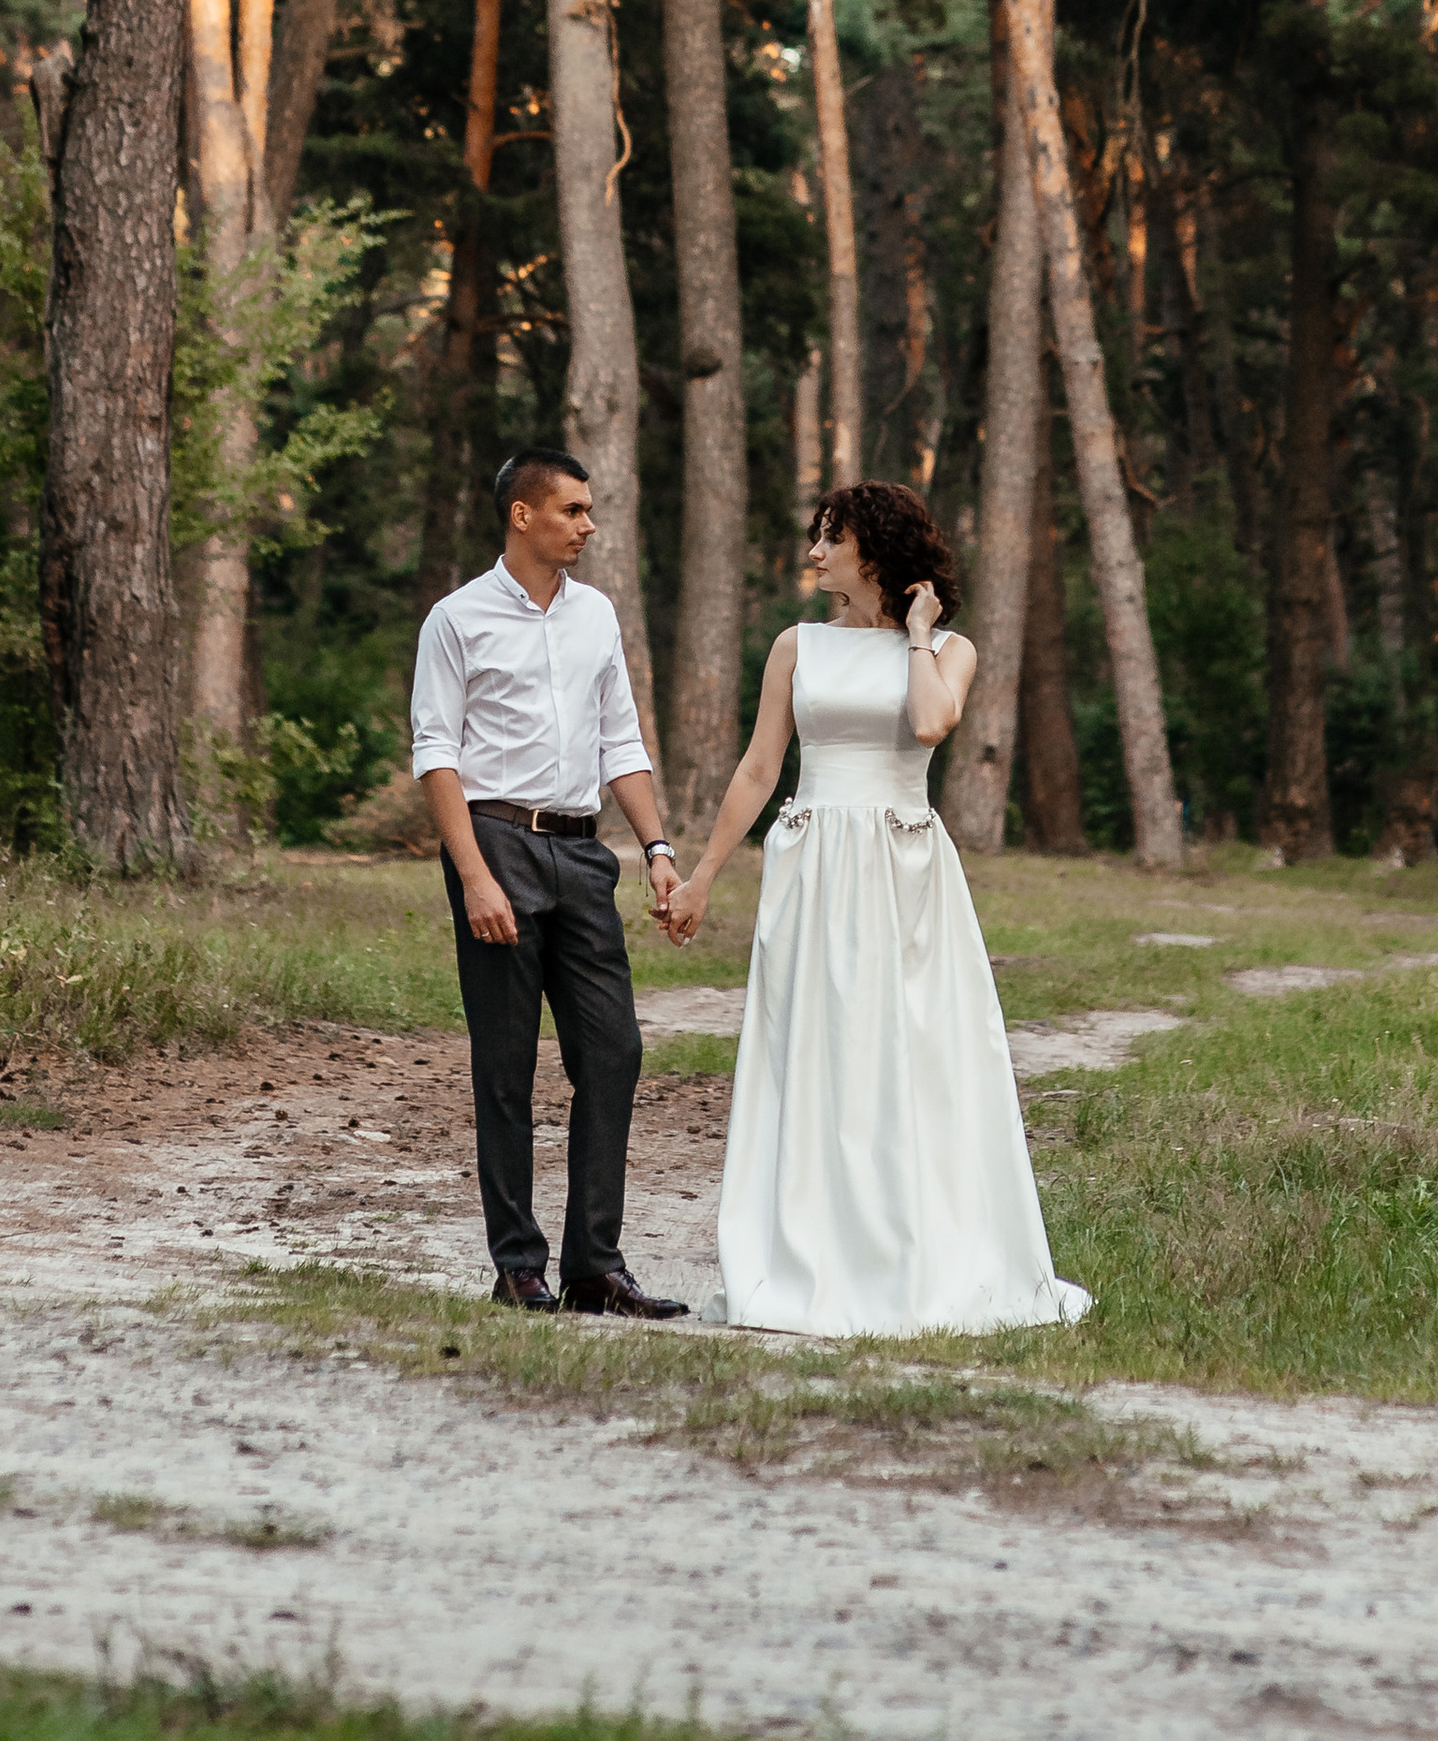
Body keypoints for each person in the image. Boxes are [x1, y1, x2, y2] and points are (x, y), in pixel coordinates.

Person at [665, 478, 1091, 1337]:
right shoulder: (796, 646)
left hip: (901, 868)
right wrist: (705, 872)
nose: (815, 551)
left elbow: (932, 726)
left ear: (876, 551)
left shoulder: (950, 650)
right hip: (813, 864)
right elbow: (758, 768)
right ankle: (807, 1256)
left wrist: (922, 637)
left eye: (831, 536)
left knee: (911, 1054)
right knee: (809, 1053)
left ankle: (912, 1253)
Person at [410, 448, 688, 1319]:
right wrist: (475, 876)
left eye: (590, 509)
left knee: (614, 1052)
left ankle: (594, 1267)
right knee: (505, 1067)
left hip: (582, 855)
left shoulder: (596, 615)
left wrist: (656, 848)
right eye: (572, 510)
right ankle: (517, 1264)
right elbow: (436, 752)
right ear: (522, 515)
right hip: (498, 845)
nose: (588, 525)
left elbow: (621, 740)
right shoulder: (456, 619)